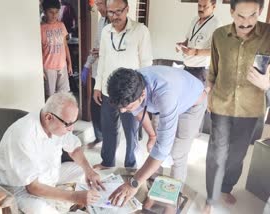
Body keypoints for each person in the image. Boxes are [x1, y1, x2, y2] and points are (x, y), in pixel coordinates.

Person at [105, 66, 207, 212]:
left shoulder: (165, 94)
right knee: (153, 147)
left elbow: (163, 148)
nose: (122, 111)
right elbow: (137, 110)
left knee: (177, 154)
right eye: (121, 107)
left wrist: (134, 183)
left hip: (191, 104)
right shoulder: (132, 84)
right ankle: (155, 192)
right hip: (162, 103)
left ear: (142, 96)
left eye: (127, 107)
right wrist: (152, 135)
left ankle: (171, 201)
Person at [204, 0, 270, 213]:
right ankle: (211, 195)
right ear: (231, 12)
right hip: (221, 105)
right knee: (217, 154)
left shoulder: (269, 35)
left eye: (252, 15)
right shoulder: (219, 36)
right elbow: (213, 69)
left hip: (250, 110)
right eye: (240, 16)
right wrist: (209, 94)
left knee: (237, 155)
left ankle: (225, 187)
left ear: (259, 11)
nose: (246, 22)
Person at [0, 92, 104, 214]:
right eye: (68, 124)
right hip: (19, 188)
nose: (71, 128)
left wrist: (89, 171)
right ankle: (68, 201)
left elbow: (74, 149)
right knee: (40, 209)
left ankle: (67, 199)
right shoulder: (23, 135)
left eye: (73, 122)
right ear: (49, 117)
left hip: (48, 176)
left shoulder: (57, 124)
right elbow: (33, 187)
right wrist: (74, 196)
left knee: (84, 172)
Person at [93, 0, 153, 170]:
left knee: (131, 131)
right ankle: (107, 161)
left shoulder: (140, 31)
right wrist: (98, 85)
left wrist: (143, 93)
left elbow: (147, 63)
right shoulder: (105, 31)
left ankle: (131, 165)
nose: (114, 16)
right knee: (109, 129)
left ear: (127, 9)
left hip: (131, 94)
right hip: (108, 91)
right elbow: (103, 59)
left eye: (119, 11)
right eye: (111, 12)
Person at [81, 0, 109, 149]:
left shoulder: (117, 23)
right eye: (96, 5)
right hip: (97, 73)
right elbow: (96, 46)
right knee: (95, 108)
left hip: (110, 75)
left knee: (109, 112)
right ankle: (99, 137)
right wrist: (87, 65)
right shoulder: (101, 21)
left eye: (100, 4)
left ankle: (110, 144)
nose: (98, 9)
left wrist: (103, 52)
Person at [176, 0, 222, 85]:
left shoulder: (216, 24)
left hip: (200, 71)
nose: (201, 8)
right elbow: (189, 40)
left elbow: (217, 51)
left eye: (205, 6)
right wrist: (182, 45)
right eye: (199, 5)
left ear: (214, 7)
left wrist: (196, 52)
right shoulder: (195, 20)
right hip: (187, 67)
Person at [41, 0, 73, 99]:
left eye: (56, 12)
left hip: (62, 66)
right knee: (50, 97)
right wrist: (40, 69)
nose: (54, 15)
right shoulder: (41, 28)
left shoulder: (61, 25)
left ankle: (61, 114)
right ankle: (50, 114)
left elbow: (65, 46)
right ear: (45, 12)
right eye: (51, 12)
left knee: (63, 95)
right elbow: (40, 51)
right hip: (48, 67)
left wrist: (69, 63)